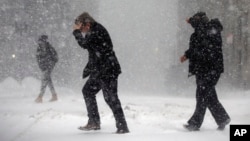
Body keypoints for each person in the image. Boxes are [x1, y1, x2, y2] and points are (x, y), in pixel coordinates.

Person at [72, 12, 129, 134]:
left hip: (107, 69)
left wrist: (76, 33)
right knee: (88, 91)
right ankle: (94, 122)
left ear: (87, 24)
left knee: (111, 98)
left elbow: (85, 45)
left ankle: (122, 127)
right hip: (100, 70)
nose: (81, 31)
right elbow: (93, 52)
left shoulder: (97, 30)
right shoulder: (92, 31)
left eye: (81, 28)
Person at [180, 12, 230, 131]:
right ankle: (222, 118)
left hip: (210, 69)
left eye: (195, 22)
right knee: (209, 96)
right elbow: (197, 48)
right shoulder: (201, 32)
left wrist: (192, 21)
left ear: (200, 21)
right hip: (204, 69)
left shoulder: (211, 29)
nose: (192, 24)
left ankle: (195, 123)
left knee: (202, 95)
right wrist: (187, 55)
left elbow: (203, 47)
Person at [35, 35, 58, 103]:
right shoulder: (39, 48)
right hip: (43, 67)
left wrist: (51, 63)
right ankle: (54, 95)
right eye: (40, 41)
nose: (41, 43)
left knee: (44, 80)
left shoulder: (49, 48)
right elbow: (38, 58)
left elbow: (56, 57)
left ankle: (40, 97)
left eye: (42, 41)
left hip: (48, 67)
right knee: (48, 80)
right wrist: (41, 66)